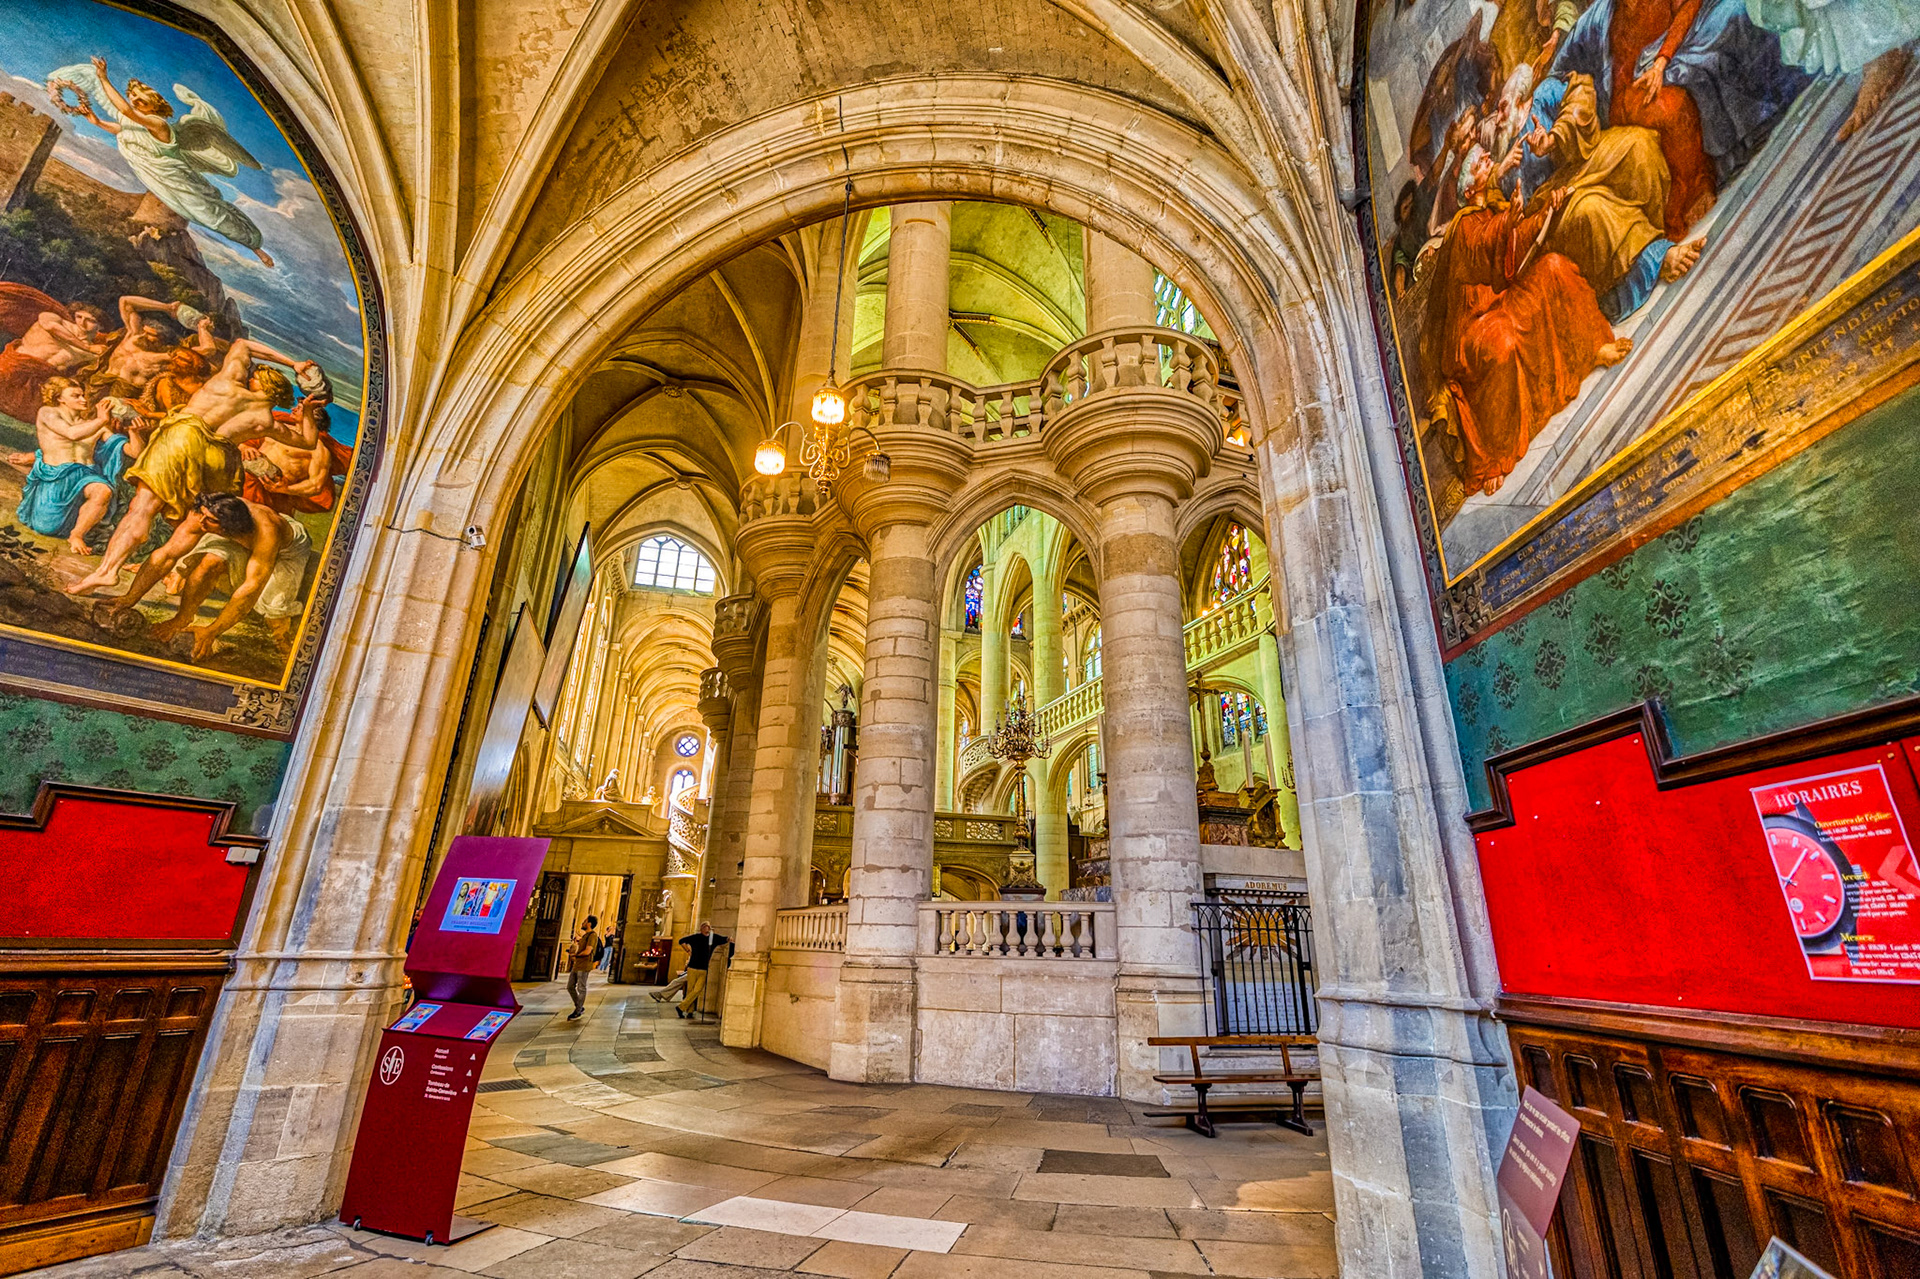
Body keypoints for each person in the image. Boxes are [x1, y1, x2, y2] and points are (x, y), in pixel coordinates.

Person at [1420, 148, 1633, 498]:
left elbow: (1516, 248)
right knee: (1501, 344)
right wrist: (1508, 222)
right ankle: (1497, 455)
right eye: (1483, 163)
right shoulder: (1462, 225)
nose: (1491, 163)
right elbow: (1480, 251)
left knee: (1554, 267)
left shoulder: (1495, 206)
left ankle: (1592, 348)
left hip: (1501, 302)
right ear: (1470, 185)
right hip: (1471, 328)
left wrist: (1547, 210)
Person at [67, 337, 328, 596]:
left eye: (257, 374)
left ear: (262, 382)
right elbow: (307, 440)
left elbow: (241, 345)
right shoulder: (265, 420)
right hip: (216, 461)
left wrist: (293, 363)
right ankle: (175, 572)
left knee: (143, 508)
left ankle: (108, 571)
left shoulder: (229, 382)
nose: (252, 374)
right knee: (194, 521)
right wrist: (306, 411)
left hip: (183, 439)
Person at [98, 490, 313, 660]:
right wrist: (130, 598)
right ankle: (182, 618)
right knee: (209, 562)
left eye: (209, 521)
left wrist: (212, 631)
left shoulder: (267, 530)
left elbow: (251, 588)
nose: (200, 523)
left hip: (287, 550)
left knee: (275, 607)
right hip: (234, 536)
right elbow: (166, 555)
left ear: (227, 527)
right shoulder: (204, 513)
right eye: (202, 515)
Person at [13, 378, 135, 553]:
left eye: (83, 395)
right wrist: (101, 420)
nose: (83, 400)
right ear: (60, 398)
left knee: (103, 490)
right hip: (57, 477)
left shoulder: (92, 425)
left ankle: (76, 534)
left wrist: (133, 431)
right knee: (46, 527)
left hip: (87, 474)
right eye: (76, 396)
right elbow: (71, 434)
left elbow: (133, 452)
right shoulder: (47, 412)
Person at [675, 921, 732, 1020]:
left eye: (708, 927)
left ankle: (681, 1007)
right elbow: (681, 941)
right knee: (690, 990)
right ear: (701, 928)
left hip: (703, 968)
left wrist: (729, 939)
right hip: (692, 967)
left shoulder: (712, 938)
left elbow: (724, 939)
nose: (707, 928)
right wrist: (688, 951)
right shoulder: (695, 937)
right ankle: (690, 1011)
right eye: (705, 927)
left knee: (697, 989)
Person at [566, 915, 600, 1021]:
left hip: (584, 965)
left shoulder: (592, 936)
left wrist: (575, 955)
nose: (583, 923)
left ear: (589, 924)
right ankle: (579, 1006)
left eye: (585, 921)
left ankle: (578, 1010)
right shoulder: (585, 936)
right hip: (577, 965)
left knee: (581, 988)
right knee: (570, 986)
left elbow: (588, 951)